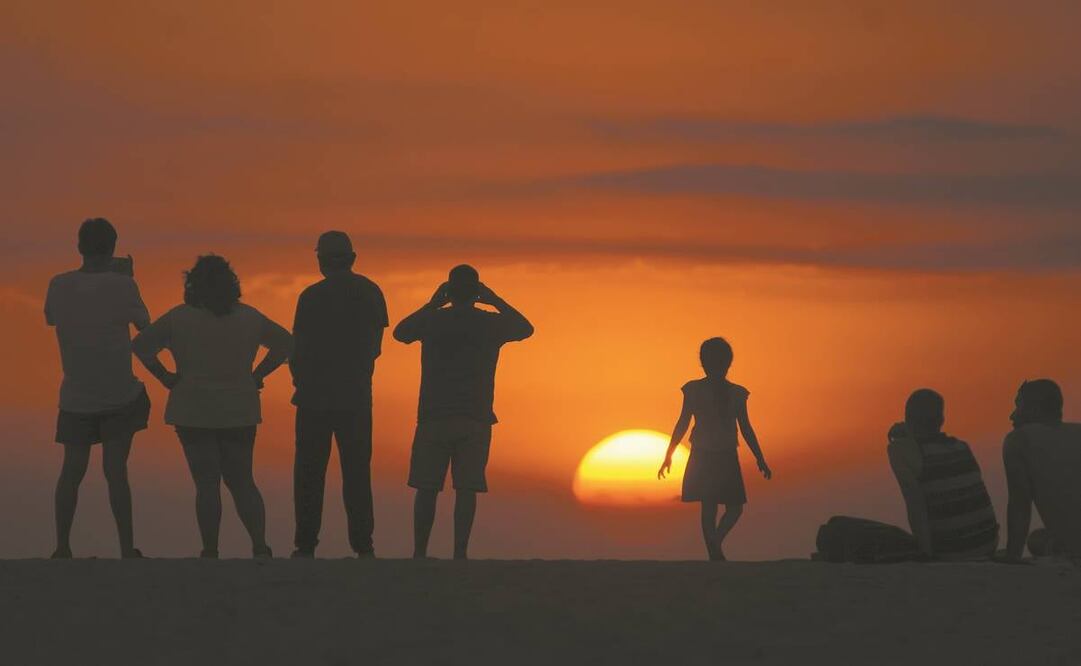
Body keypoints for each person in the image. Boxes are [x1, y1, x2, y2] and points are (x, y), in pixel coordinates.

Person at [132, 255, 292, 559]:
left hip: (192, 409)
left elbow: (140, 346)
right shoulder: (249, 317)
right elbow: (286, 343)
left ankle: (210, 549)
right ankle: (259, 545)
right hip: (239, 408)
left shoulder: (178, 317)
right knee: (243, 481)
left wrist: (164, 376)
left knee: (207, 484)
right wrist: (258, 373)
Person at [394, 265, 533, 559]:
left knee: (427, 487)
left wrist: (431, 304)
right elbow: (525, 328)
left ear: (448, 292)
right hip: (475, 417)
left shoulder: (433, 320)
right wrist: (495, 300)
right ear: (476, 293)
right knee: (466, 489)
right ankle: (460, 552)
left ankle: (420, 552)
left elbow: (401, 333)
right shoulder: (489, 323)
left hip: (434, 415)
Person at [44, 218, 151, 559]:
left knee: (71, 471)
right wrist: (128, 278)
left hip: (76, 394)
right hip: (119, 392)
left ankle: (62, 545)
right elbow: (145, 325)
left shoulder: (59, 284)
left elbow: (50, 317)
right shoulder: (122, 285)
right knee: (116, 472)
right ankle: (125, 548)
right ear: (113, 248)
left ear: (80, 247)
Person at [289, 231, 388, 559]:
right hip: (356, 397)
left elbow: (297, 348)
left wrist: (301, 382)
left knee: (309, 474)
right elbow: (375, 347)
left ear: (320, 260)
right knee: (357, 473)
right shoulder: (371, 292)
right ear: (352, 258)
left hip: (314, 397)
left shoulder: (311, 296)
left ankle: (305, 545)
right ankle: (364, 545)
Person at [658, 337, 771, 561]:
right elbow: (683, 423)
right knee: (712, 505)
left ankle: (714, 542)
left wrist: (760, 458)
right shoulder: (694, 390)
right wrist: (668, 454)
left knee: (730, 507)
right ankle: (714, 551)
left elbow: (746, 428)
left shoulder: (737, 394)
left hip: (723, 454)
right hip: (706, 454)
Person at [886, 389, 998, 560]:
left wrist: (926, 555)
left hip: (949, 551)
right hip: (986, 545)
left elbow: (915, 504)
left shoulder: (900, 451)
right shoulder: (962, 447)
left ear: (907, 419)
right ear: (942, 420)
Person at [1001, 379, 1081, 561]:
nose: (1012, 416)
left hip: (1075, 550)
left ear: (1035, 410)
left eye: (1018, 406)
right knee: (1038, 538)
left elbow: (1020, 505)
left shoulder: (1019, 440)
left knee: (1036, 540)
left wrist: (1012, 556)